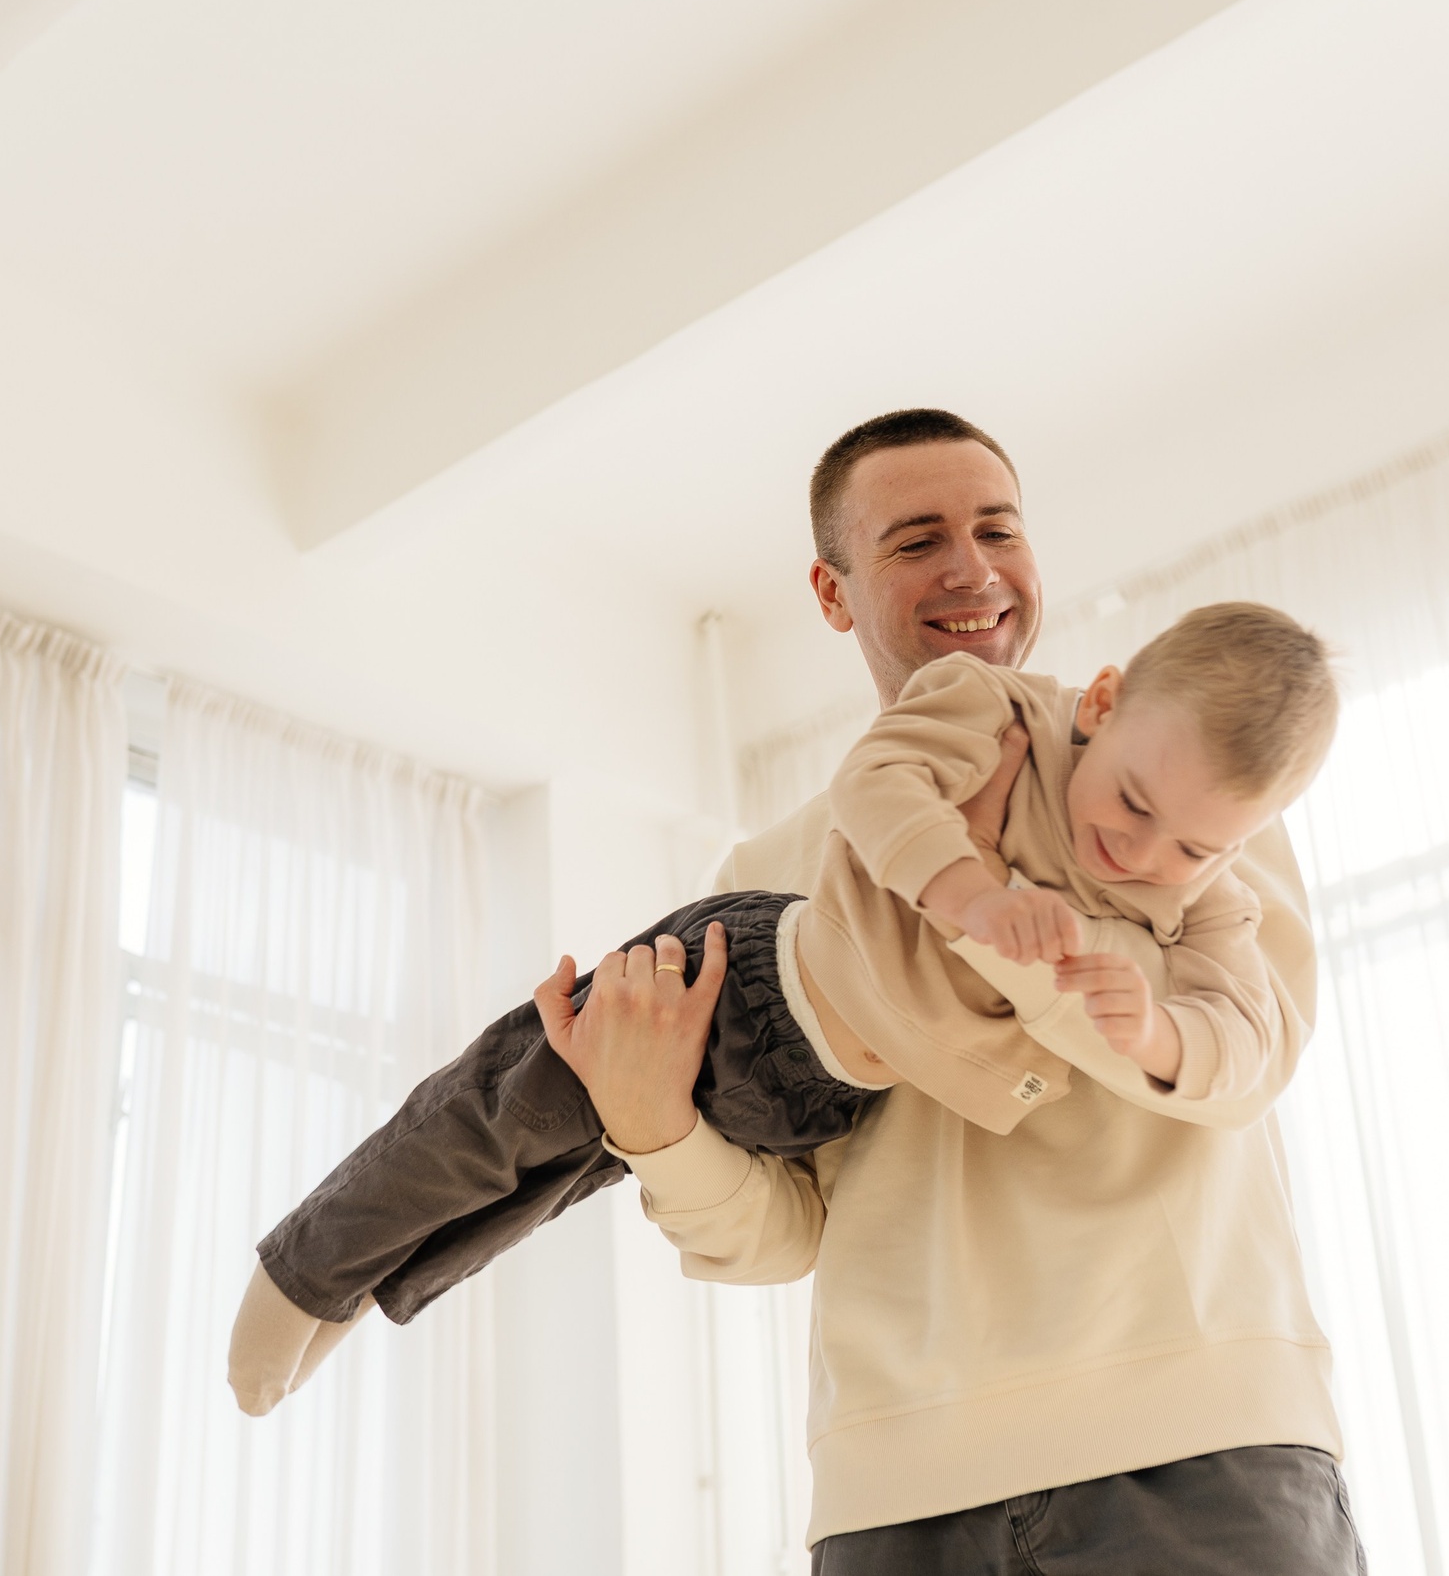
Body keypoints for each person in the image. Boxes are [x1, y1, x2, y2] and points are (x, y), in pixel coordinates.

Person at [556, 410, 1369, 1574]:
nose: (973, 568)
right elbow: (783, 1231)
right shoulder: (764, 877)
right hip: (898, 1496)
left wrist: (983, 923)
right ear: (833, 595)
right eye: (915, 539)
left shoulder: (1195, 791)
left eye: (998, 528)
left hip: (1205, 1452)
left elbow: (1232, 1070)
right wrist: (654, 1134)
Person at [226, 596, 1337, 1414]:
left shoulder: (1206, 904)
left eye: (1195, 846)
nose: (1141, 852)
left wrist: (1151, 1028)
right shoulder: (991, 711)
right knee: (509, 1114)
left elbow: (1242, 1038)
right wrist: (974, 896)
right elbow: (876, 785)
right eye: (1134, 802)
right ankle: (304, 1268)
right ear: (1099, 702)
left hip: (824, 1100)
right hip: (749, 984)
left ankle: (362, 1293)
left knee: (568, 1174)